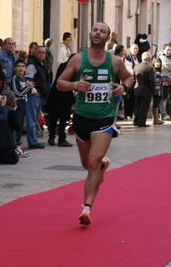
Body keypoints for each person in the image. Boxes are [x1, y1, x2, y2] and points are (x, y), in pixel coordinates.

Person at [56, 22, 133, 226]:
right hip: (82, 118)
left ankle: (86, 208)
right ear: (90, 33)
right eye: (95, 29)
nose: (98, 32)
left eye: (102, 31)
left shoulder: (115, 61)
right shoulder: (77, 59)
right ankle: (101, 166)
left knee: (92, 162)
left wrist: (123, 87)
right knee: (87, 164)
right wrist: (75, 85)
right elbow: (59, 83)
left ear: (107, 38)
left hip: (105, 119)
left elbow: (129, 78)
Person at [46, 54, 75, 147]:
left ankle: (51, 137)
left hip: (55, 93)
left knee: (54, 117)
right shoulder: (71, 69)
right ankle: (61, 139)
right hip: (64, 95)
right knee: (63, 118)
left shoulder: (62, 65)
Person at [0, 90, 21, 165]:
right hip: (4, 144)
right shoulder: (9, 111)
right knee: (14, 159)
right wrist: (13, 112)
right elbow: (17, 127)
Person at [25, 46, 49, 149]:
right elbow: (28, 80)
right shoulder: (32, 64)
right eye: (39, 52)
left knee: (35, 119)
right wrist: (34, 91)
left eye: (43, 53)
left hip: (40, 96)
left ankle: (33, 140)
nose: (41, 54)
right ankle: (32, 141)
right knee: (31, 120)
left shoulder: (42, 64)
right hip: (33, 96)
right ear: (35, 53)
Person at [11, 58, 33, 157]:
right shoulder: (15, 79)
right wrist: (28, 87)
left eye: (23, 66)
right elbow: (17, 92)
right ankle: (15, 146)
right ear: (15, 68)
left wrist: (30, 88)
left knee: (21, 127)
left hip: (24, 105)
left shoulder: (24, 79)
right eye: (19, 66)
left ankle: (19, 145)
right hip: (17, 106)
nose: (21, 68)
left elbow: (26, 93)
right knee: (16, 127)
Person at [133, 51, 155, 127]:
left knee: (137, 106)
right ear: (149, 59)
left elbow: (134, 78)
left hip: (137, 88)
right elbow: (152, 80)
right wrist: (153, 89)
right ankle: (141, 122)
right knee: (144, 107)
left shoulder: (136, 66)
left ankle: (135, 121)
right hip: (146, 89)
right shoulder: (149, 68)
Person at [124, 44, 140, 119]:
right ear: (130, 49)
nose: (135, 50)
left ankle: (132, 112)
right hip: (130, 79)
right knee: (128, 97)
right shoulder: (128, 58)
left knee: (133, 97)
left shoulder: (138, 57)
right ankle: (127, 113)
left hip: (136, 80)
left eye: (136, 49)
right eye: (134, 49)